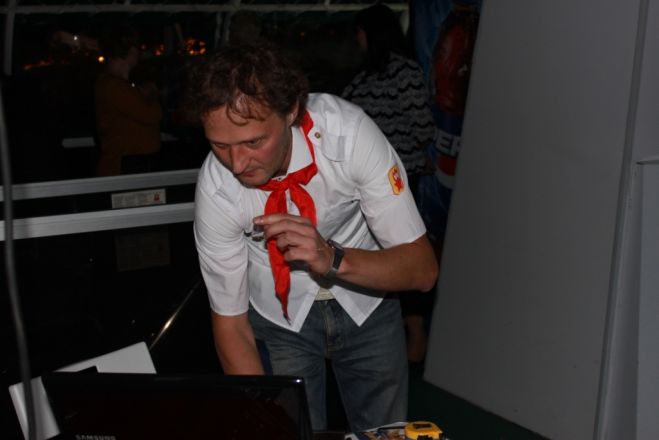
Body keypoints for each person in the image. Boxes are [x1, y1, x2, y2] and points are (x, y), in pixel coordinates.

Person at [184, 43, 438, 433]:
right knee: (289, 429)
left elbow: (423, 270)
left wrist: (332, 258)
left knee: (384, 432)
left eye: (254, 142)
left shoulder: (349, 136)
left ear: (291, 111)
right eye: (220, 145)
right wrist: (266, 418)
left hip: (368, 301)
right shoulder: (217, 189)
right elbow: (230, 325)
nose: (237, 164)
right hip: (279, 317)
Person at [341, 3, 437, 363]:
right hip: (398, 178)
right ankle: (411, 337)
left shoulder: (364, 78)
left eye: (360, 32)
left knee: (394, 257)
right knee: (399, 256)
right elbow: (422, 126)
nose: (357, 39)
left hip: (381, 183)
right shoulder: (400, 72)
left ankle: (410, 337)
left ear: (371, 33)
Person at [95, 24, 162, 176]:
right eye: (137, 48)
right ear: (130, 51)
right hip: (127, 166)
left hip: (132, 164)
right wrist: (152, 96)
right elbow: (152, 115)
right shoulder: (114, 87)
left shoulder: (117, 85)